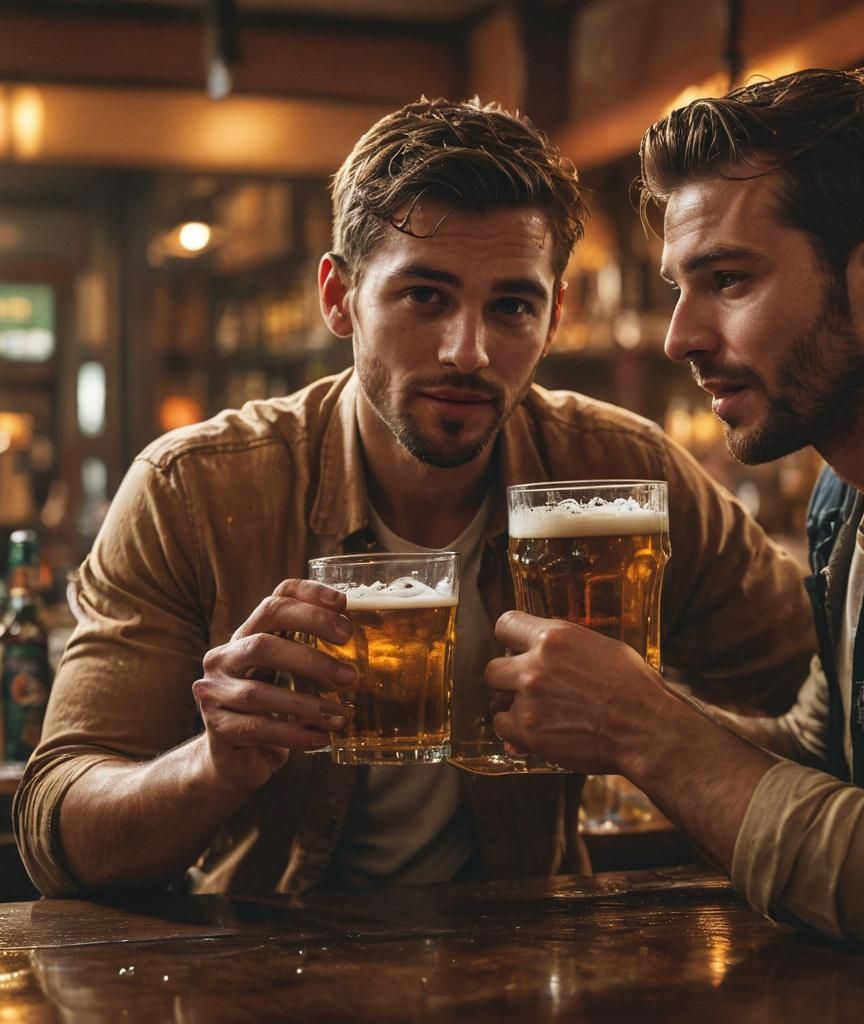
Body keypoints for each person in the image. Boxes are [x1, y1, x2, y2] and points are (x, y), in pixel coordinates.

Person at [14, 98, 814, 897]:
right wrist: (214, 766)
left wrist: (651, 725)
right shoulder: (193, 489)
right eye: (424, 296)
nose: (468, 352)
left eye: (511, 306)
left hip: (535, 973)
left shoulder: (620, 473)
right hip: (260, 978)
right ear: (339, 297)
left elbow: (827, 689)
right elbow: (59, 836)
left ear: (554, 315)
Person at [486, 67, 864, 985]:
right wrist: (617, 708)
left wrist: (643, 728)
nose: (679, 336)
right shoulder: (849, 494)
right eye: (677, 288)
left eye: (727, 280)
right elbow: (826, 756)